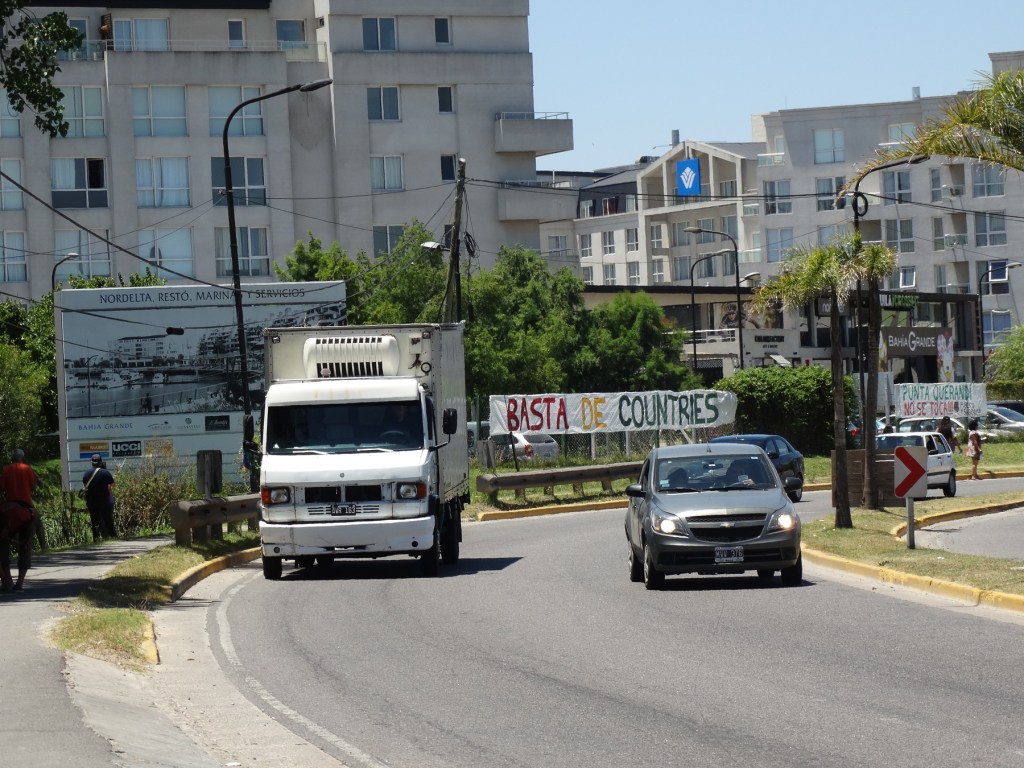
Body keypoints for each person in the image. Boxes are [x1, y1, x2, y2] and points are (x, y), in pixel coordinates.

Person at [0, 447, 45, 550]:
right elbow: (33, 486)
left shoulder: (6, 470)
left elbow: (1, 488)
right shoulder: (28, 469)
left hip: (10, 504)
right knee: (38, 522)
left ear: (12, 458)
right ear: (22, 457)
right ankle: (44, 546)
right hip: (26, 503)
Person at [0, 499, 33, 592]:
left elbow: (31, 517)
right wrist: (4, 578)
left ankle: (19, 584)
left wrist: (25, 541)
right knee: (2, 551)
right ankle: (7, 583)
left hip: (29, 517)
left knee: (25, 549)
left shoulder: (22, 516)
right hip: (9, 517)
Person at [82, 454, 117, 540]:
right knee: (108, 519)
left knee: (94, 520)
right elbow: (112, 485)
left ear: (91, 462)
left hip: (91, 501)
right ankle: (112, 536)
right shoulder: (105, 473)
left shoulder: (86, 473)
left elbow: (85, 485)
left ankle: (96, 537)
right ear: (101, 462)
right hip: (104, 500)